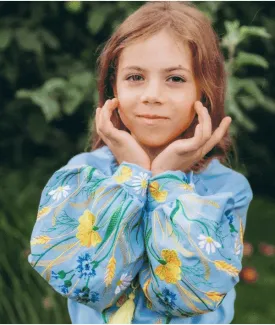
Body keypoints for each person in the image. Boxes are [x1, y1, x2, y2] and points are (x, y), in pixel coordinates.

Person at [28, 2, 253, 324]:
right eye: (135, 77)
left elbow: (188, 295)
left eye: (175, 78)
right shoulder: (82, 175)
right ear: (112, 88)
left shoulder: (226, 190)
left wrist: (166, 179)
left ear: (204, 93)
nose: (152, 95)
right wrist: (131, 178)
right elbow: (82, 283)